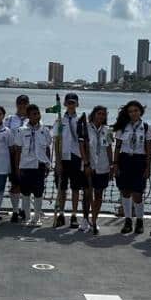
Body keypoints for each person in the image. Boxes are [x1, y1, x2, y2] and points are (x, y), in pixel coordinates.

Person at [112, 100, 151, 235]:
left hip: (139, 160)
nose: (133, 113)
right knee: (125, 191)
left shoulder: (146, 127)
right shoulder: (123, 127)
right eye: (130, 111)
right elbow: (117, 146)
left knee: (138, 193)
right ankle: (128, 220)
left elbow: (148, 149)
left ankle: (139, 221)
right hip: (125, 160)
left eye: (135, 110)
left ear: (140, 111)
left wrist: (148, 167)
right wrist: (115, 163)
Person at [11, 104, 51, 226]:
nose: (37, 116)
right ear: (28, 116)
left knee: (38, 192)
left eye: (38, 113)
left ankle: (36, 217)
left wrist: (48, 163)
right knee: (25, 193)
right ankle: (27, 217)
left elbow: (48, 148)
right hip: (25, 165)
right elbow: (18, 150)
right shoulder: (21, 130)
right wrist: (17, 167)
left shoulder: (44, 130)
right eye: (33, 114)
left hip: (39, 165)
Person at [79, 105, 113, 235]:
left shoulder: (107, 130)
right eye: (99, 113)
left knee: (99, 195)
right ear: (93, 114)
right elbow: (82, 146)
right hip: (89, 166)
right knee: (87, 194)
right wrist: (86, 163)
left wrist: (111, 165)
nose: (101, 116)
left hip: (103, 167)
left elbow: (109, 148)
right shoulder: (85, 128)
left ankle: (94, 220)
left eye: (103, 114)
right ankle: (85, 219)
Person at [55, 93, 85, 228]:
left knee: (75, 188)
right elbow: (56, 141)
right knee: (62, 187)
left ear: (77, 104)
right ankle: (61, 213)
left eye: (73, 102)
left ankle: (73, 214)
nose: (71, 105)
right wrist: (58, 161)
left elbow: (85, 141)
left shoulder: (82, 120)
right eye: (68, 102)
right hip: (63, 157)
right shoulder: (60, 120)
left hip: (76, 157)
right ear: (65, 104)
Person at [6, 94, 31, 222]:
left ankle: (24, 209)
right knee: (15, 183)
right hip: (13, 154)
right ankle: (15, 211)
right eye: (20, 103)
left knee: (26, 185)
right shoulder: (10, 119)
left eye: (25, 103)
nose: (22, 106)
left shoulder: (32, 119)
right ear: (16, 104)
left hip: (27, 155)